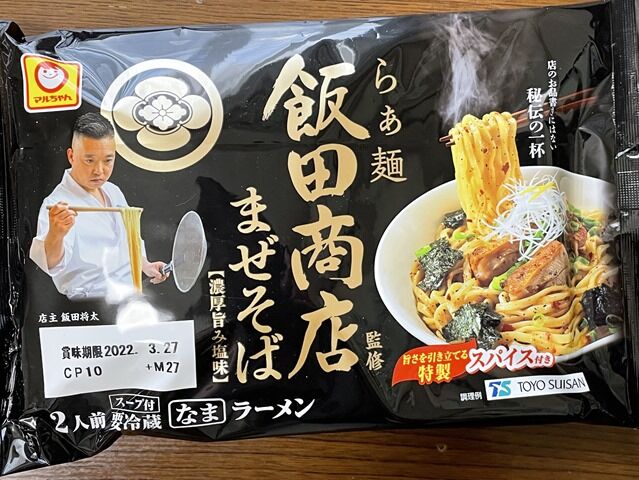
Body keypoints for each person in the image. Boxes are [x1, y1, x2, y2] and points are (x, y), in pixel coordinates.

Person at [29, 112, 168, 299]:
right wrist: (55, 234)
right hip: (89, 302)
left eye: (108, 160)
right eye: (89, 160)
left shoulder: (112, 191)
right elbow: (52, 264)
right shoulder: (57, 203)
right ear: (71, 156)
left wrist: (145, 265)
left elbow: (130, 239)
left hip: (128, 298)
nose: (99, 171)